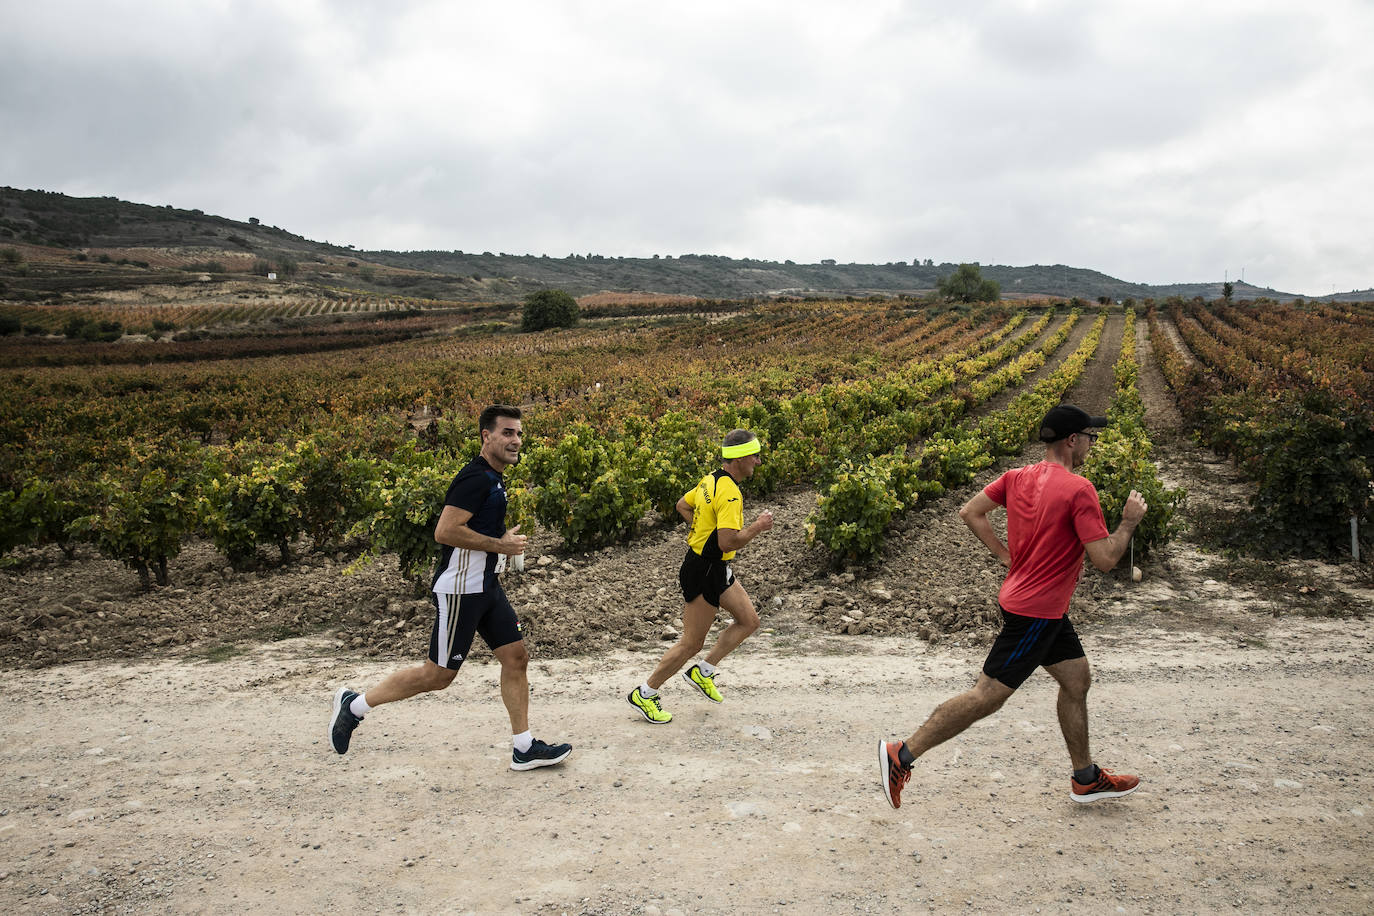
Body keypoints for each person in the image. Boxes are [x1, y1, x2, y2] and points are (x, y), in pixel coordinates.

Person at [879, 404, 1147, 808]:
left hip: (1039, 607)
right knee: (987, 695)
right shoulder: (1079, 489)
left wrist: (1007, 557)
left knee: (1076, 680)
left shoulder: (1017, 477)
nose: (1093, 444)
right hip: (1036, 614)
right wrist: (1127, 523)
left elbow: (971, 511)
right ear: (1072, 441)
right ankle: (902, 754)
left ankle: (1086, 778)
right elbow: (1105, 560)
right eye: (1091, 437)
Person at [330, 404, 572, 771]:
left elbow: (476, 528)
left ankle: (523, 747)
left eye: (519, 433)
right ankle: (354, 705)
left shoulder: (493, 478)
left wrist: (500, 539)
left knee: (516, 657)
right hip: (461, 590)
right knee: (438, 676)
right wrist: (500, 545)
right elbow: (445, 531)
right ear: (486, 436)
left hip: (486, 587)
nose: (516, 440)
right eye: (507, 433)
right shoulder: (474, 479)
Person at [627, 429, 774, 724]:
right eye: (755, 455)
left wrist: (700, 530)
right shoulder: (731, 492)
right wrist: (758, 526)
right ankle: (645, 693)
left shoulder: (711, 479)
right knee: (691, 643)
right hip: (705, 570)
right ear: (740, 457)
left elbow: (683, 504)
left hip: (714, 568)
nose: (758, 462)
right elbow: (728, 543)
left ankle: (703, 671)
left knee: (749, 622)